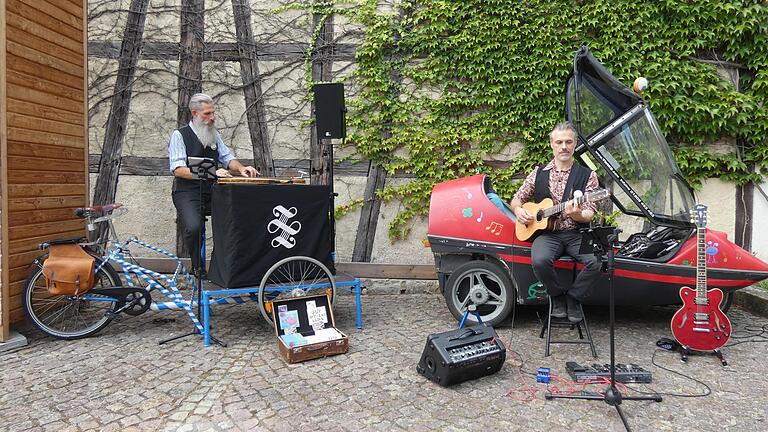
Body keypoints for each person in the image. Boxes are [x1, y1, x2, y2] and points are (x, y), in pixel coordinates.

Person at [509, 121, 601, 323]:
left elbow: (588, 214)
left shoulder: (588, 175)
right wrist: (519, 211)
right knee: (540, 261)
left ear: (575, 143)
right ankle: (557, 296)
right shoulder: (538, 173)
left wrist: (575, 214)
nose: (564, 147)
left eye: (569, 142)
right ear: (552, 144)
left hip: (577, 233)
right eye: (559, 142)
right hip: (547, 235)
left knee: (595, 262)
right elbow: (517, 199)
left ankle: (574, 298)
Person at [168, 93, 259, 272]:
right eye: (207, 114)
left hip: (213, 191)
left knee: (233, 222)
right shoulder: (180, 135)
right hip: (187, 193)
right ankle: (197, 267)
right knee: (194, 227)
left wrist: (241, 169)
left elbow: (227, 158)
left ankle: (222, 268)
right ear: (194, 113)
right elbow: (178, 169)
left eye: (213, 113)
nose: (212, 118)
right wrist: (211, 172)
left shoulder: (213, 134)